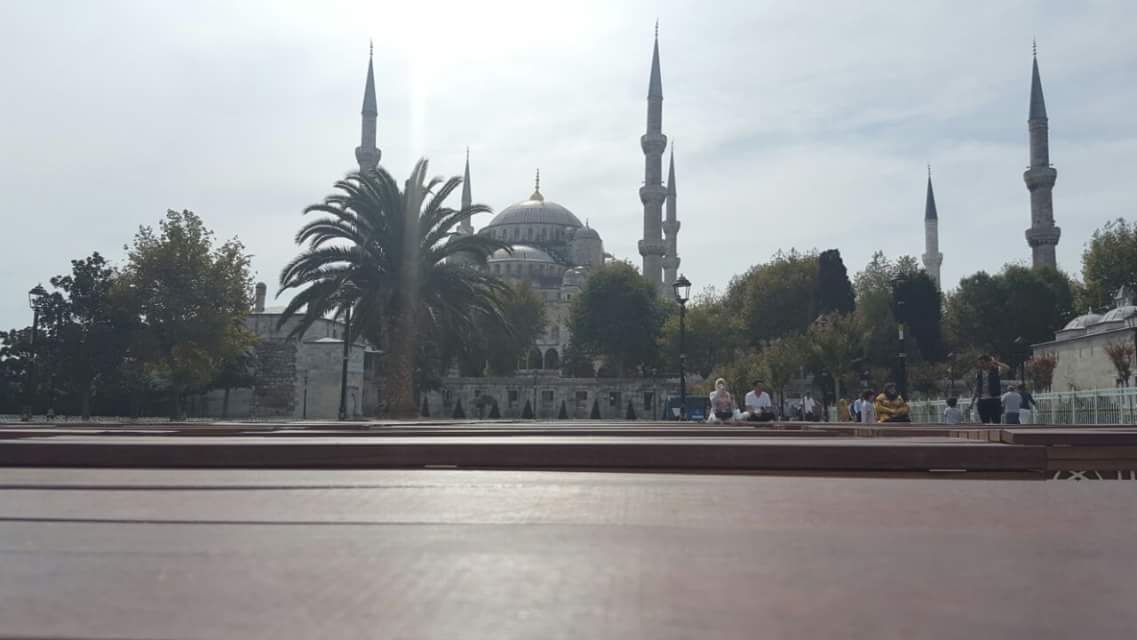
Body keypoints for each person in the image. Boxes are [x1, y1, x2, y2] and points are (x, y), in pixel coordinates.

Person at [971, 354, 1009, 424]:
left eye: (982, 363)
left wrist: (996, 362)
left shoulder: (996, 370)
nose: (981, 365)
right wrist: (972, 401)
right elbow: (977, 387)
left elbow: (1007, 368)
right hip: (982, 400)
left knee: (996, 422)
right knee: (985, 423)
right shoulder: (979, 373)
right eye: (979, 363)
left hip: (994, 399)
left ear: (988, 362)